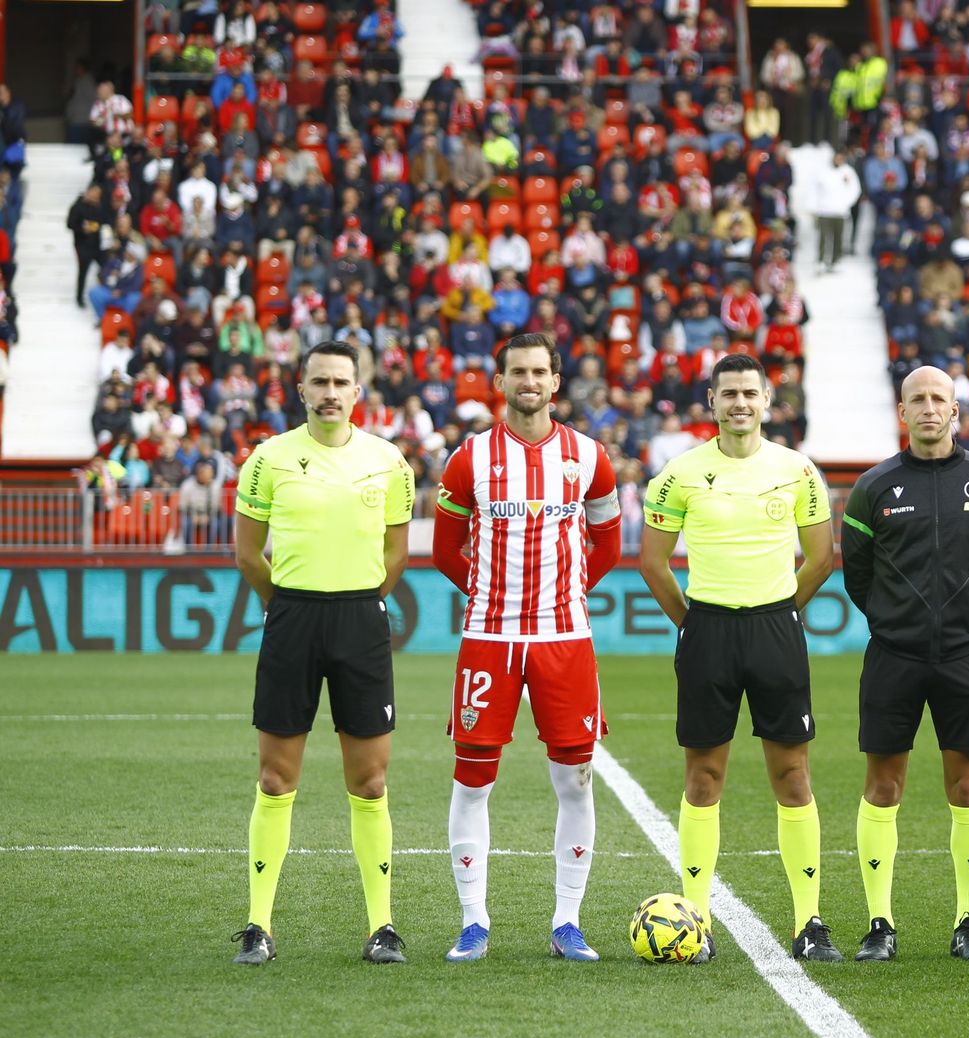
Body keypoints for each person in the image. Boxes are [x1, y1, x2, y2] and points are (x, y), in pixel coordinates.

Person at [638, 353, 840, 962]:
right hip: (709, 632)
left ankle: (810, 922)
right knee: (704, 777)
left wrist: (781, 611)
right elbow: (652, 561)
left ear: (768, 400)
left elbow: (821, 557)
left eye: (750, 393)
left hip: (776, 629)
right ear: (712, 400)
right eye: (729, 394)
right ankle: (695, 922)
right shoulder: (678, 472)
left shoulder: (798, 470)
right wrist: (694, 623)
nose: (740, 404)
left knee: (793, 775)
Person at [430, 333, 623, 963]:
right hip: (488, 639)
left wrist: (563, 594)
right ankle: (473, 921)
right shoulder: (469, 458)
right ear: (501, 380)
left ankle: (567, 921)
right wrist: (492, 593)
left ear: (556, 381)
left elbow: (609, 545)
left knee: (576, 780)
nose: (529, 381)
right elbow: (443, 550)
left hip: (565, 640)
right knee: (473, 781)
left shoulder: (590, 457)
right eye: (518, 372)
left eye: (540, 371)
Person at [230, 340, 416, 966]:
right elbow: (249, 554)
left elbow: (395, 555)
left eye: (342, 381)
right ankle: (258, 925)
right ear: (300, 388)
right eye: (319, 381)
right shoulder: (268, 459)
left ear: (358, 391)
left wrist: (359, 603)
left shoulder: (389, 461)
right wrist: (285, 606)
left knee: (370, 780)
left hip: (361, 622)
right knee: (275, 778)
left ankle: (382, 926)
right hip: (293, 620)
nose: (330, 392)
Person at [841, 365, 969, 963]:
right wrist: (894, 622)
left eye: (939, 399)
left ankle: (968, 922)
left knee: (967, 786)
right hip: (892, 657)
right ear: (902, 412)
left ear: (956, 411)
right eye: (917, 399)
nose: (928, 408)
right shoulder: (874, 486)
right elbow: (857, 575)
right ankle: (879, 923)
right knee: (883, 786)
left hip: (967, 659)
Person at [811, 149, 861, 272]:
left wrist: (845, 204)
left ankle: (836, 261)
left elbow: (855, 190)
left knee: (838, 237)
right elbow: (814, 190)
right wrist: (815, 207)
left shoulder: (848, 172)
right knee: (823, 237)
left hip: (840, 211)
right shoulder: (823, 171)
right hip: (824, 210)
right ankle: (821, 260)